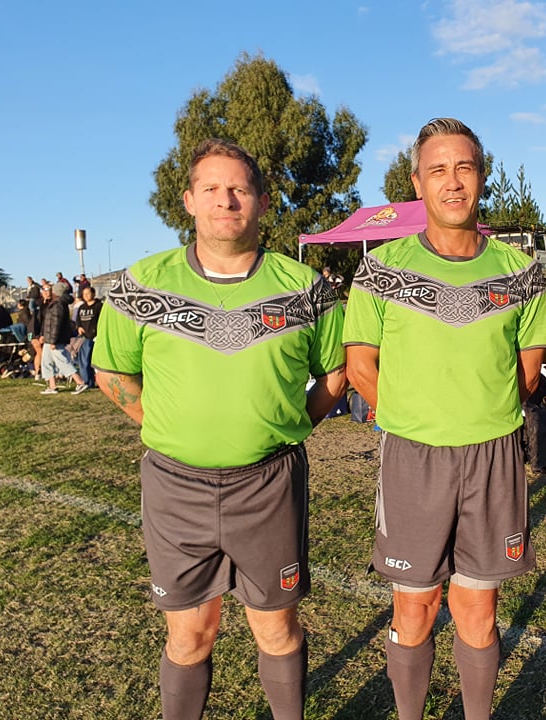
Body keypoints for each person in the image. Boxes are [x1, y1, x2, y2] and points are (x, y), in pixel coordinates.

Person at [92, 138, 346, 720]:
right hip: (175, 486)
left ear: (260, 201)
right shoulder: (140, 285)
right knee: (190, 633)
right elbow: (109, 371)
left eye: (238, 189)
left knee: (276, 627)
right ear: (188, 200)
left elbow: (336, 374)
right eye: (211, 188)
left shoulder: (306, 288)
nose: (225, 200)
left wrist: (284, 430)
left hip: (269, 484)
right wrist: (165, 424)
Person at [343, 118, 546, 720]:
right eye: (438, 170)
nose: (452, 182)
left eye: (464, 167)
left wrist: (475, 412)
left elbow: (528, 370)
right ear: (417, 183)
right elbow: (360, 368)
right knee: (414, 607)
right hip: (414, 458)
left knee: (478, 610)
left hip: (492, 455)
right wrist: (415, 418)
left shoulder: (522, 271)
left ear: (481, 178)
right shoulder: (381, 268)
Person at [40, 283, 87, 395]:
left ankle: (80, 382)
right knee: (46, 361)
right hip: (49, 339)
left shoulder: (58, 305)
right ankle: (52, 386)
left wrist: (53, 341)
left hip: (55, 339)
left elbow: (56, 324)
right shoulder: (57, 304)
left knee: (62, 361)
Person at [74, 285, 102, 388]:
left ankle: (98, 381)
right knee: (85, 361)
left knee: (96, 361)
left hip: (96, 337)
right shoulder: (82, 307)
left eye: (88, 293)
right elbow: (78, 320)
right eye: (84, 294)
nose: (85, 296)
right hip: (85, 338)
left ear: (93, 294)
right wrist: (79, 327)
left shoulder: (99, 306)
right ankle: (87, 381)